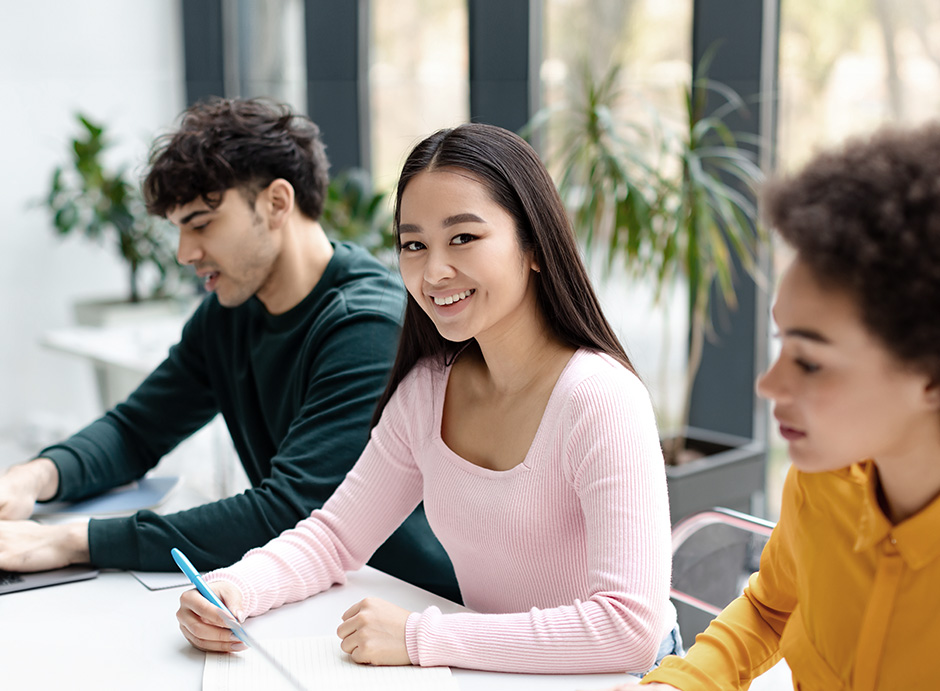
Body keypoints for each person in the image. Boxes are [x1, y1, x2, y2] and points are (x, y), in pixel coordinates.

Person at [176, 122, 680, 675]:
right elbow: (336, 537)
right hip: (499, 675)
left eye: (463, 238)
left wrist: (421, 637)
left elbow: (629, 627)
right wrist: (236, 588)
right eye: (414, 244)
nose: (434, 271)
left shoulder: (601, 400)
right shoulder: (428, 390)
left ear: (534, 246)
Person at [0, 97, 459, 603]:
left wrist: (68, 540)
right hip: (312, 595)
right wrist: (31, 479)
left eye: (200, 224)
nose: (184, 253)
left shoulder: (365, 325)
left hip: (408, 603)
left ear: (277, 203)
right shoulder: (230, 313)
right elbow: (137, 430)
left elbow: (287, 510)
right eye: (178, 229)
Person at [595, 123, 940, 691]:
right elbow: (769, 609)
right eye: (781, 345)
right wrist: (682, 683)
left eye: (809, 361)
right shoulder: (823, 479)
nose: (768, 385)